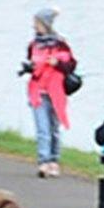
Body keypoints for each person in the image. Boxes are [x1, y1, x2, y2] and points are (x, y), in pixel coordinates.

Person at [20, 9, 77, 175]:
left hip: (55, 91)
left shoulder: (60, 44)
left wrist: (57, 63)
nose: (34, 26)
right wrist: (29, 68)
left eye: (37, 23)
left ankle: (54, 160)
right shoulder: (34, 45)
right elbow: (32, 63)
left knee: (54, 128)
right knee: (42, 128)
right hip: (38, 91)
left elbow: (71, 65)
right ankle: (43, 161)